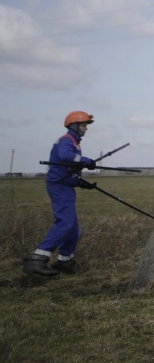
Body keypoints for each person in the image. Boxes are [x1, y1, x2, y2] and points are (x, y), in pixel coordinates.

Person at [22, 111, 98, 276]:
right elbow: (65, 157)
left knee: (73, 228)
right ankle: (37, 259)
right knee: (65, 223)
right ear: (74, 125)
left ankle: (65, 261)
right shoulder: (66, 141)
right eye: (84, 125)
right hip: (59, 186)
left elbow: (68, 169)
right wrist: (85, 160)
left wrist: (81, 183)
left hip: (66, 186)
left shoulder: (75, 143)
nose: (86, 129)